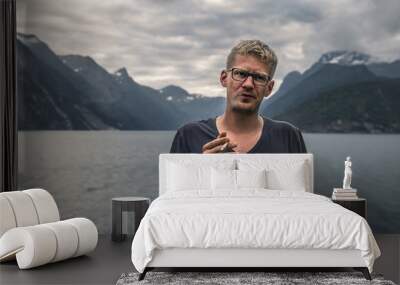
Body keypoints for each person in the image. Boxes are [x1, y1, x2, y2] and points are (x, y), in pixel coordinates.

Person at [170, 39, 306, 154]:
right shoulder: (188, 136)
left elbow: (302, 186)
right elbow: (173, 186)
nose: (248, 84)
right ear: (224, 78)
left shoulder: (289, 136)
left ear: (269, 88)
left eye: (259, 77)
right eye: (240, 74)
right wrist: (203, 167)